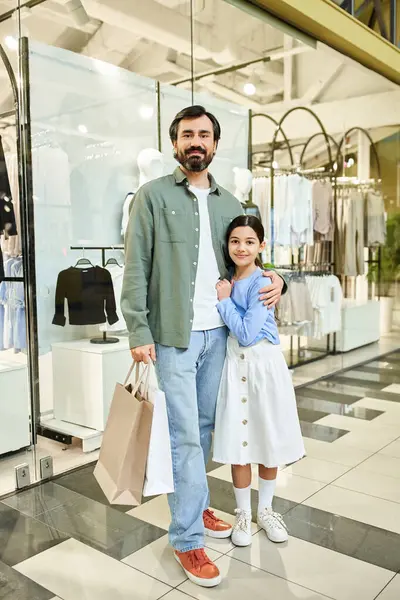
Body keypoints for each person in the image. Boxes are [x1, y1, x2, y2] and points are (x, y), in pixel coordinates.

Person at [121, 105, 286, 588]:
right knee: (184, 436)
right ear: (175, 143)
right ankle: (187, 538)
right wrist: (137, 330)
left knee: (208, 427)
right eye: (188, 134)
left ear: (215, 145)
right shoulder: (151, 197)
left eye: (205, 135)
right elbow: (136, 266)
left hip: (221, 334)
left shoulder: (229, 201)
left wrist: (277, 276)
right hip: (173, 335)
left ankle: (196, 506)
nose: (197, 142)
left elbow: (249, 253)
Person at [214, 215, 305, 548]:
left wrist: (225, 301)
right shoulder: (226, 279)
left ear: (261, 246)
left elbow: (247, 333)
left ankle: (265, 510)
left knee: (267, 440)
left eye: (250, 241)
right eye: (235, 241)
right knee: (240, 444)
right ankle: (241, 512)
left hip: (264, 368)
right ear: (227, 244)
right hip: (234, 367)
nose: (242, 247)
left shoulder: (264, 281)